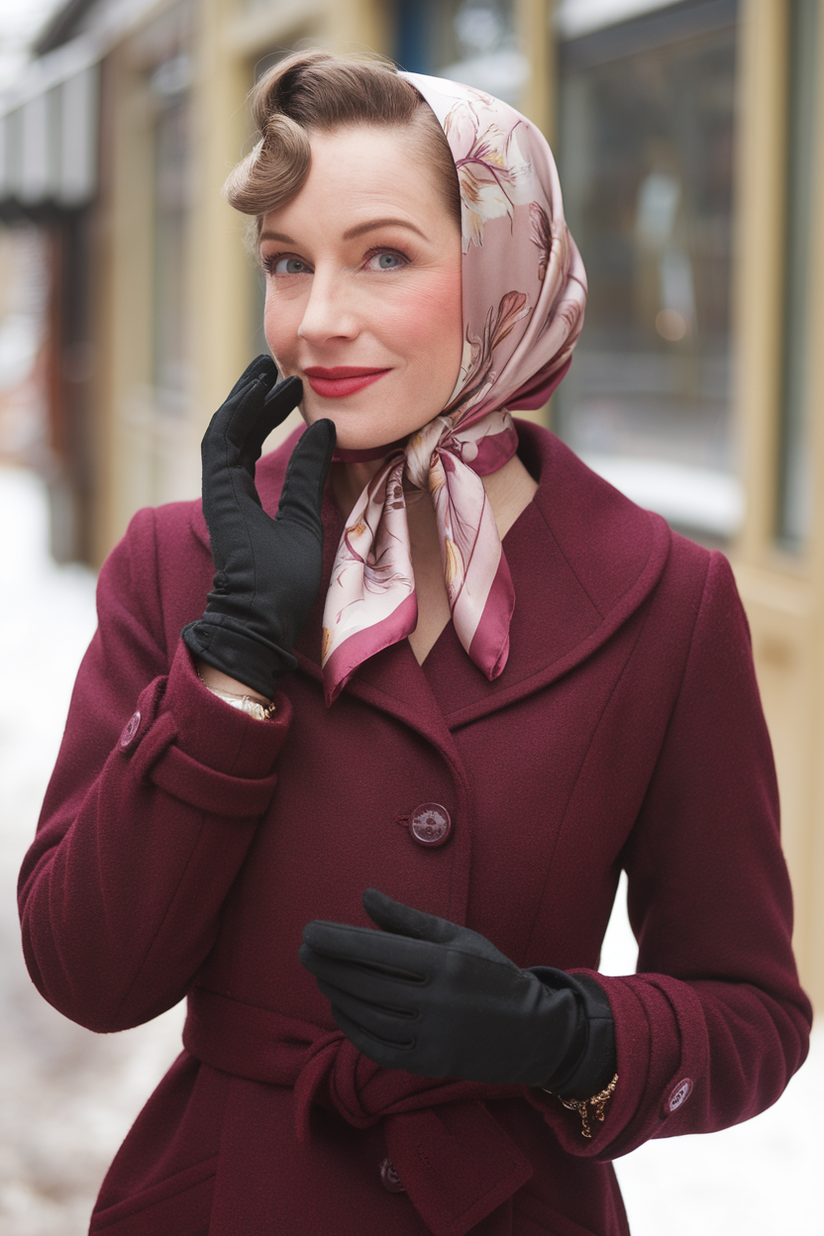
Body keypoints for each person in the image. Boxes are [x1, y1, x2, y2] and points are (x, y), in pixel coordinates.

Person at [18, 50, 811, 1236]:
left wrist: (566, 1034)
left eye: (382, 256)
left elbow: (750, 1013)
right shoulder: (178, 565)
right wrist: (232, 659)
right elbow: (89, 974)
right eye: (287, 264)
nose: (317, 320)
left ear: (505, 272)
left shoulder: (667, 600)